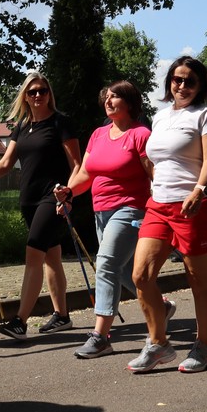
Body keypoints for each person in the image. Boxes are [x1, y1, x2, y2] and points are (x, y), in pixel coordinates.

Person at [0, 72, 81, 339]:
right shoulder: (22, 126)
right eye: (32, 92)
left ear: (49, 94)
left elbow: (76, 165)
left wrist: (69, 195)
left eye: (42, 90)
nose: (38, 95)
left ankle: (20, 321)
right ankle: (62, 316)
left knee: (33, 254)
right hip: (28, 200)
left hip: (52, 197)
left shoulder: (60, 122)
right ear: (25, 97)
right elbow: (5, 164)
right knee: (52, 256)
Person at [127, 56, 207, 373]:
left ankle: (204, 347)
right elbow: (155, 160)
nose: (182, 86)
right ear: (169, 82)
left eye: (189, 81)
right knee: (141, 276)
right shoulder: (160, 116)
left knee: (198, 280)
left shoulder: (205, 114)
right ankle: (159, 344)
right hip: (159, 205)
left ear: (200, 85)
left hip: (192, 205)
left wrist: (199, 190)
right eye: (177, 79)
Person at [54, 80, 160, 359]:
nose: (108, 101)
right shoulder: (98, 134)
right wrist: (68, 193)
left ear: (130, 102)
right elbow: (85, 173)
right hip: (101, 210)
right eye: (106, 97)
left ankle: (100, 336)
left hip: (131, 209)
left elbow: (154, 174)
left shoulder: (141, 135)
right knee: (123, 270)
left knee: (107, 263)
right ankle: (160, 306)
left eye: (115, 97)